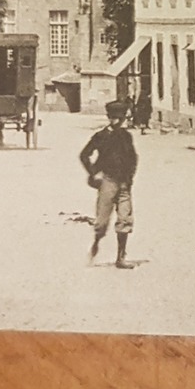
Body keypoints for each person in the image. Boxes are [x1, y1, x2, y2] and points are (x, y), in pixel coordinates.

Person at [80, 100, 137, 268]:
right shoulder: (100, 137)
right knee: (102, 221)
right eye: (115, 118)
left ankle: (121, 257)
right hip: (108, 182)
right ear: (109, 118)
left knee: (125, 219)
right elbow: (84, 155)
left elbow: (133, 158)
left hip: (124, 184)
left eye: (120, 119)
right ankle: (96, 243)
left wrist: (130, 176)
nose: (118, 122)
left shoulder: (126, 136)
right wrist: (93, 174)